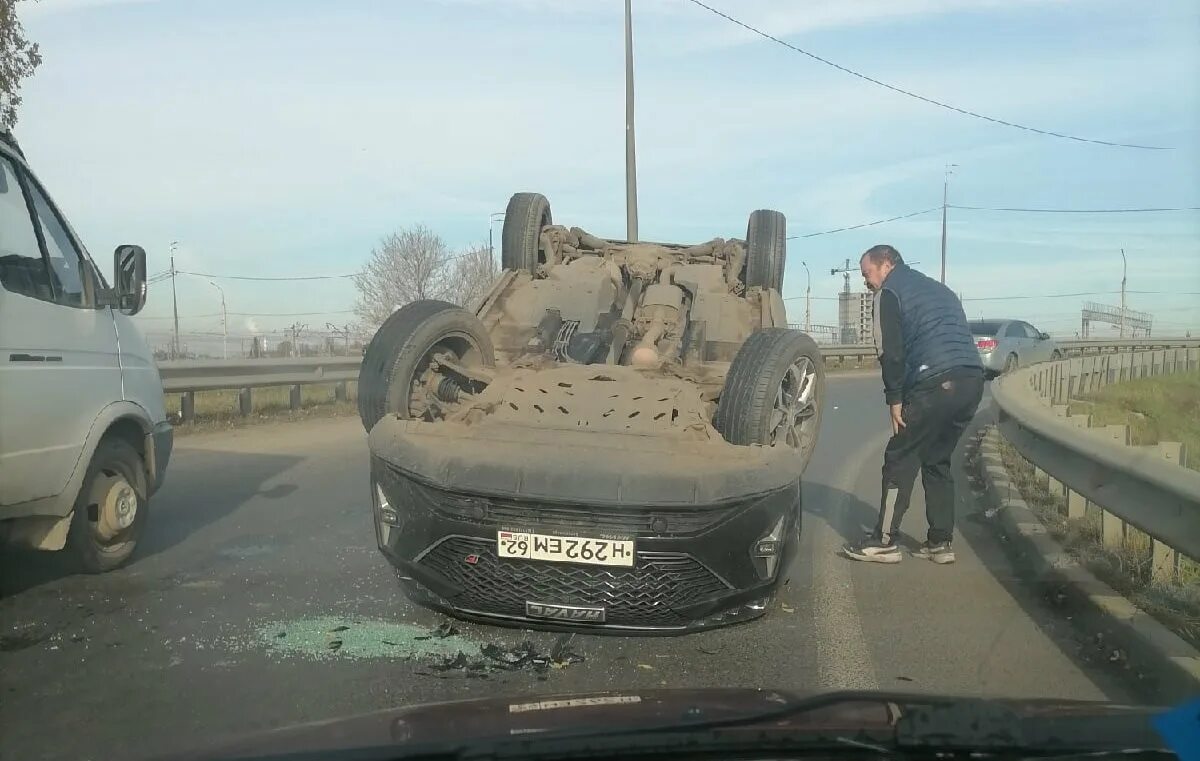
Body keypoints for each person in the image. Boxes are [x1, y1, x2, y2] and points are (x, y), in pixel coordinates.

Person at [842, 245, 984, 565]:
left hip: (935, 382)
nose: (867, 282)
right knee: (937, 459)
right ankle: (940, 543)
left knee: (900, 456)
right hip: (971, 380)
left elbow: (891, 352)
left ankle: (883, 541)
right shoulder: (939, 290)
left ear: (887, 265)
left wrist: (894, 398)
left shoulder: (890, 293)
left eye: (868, 274)